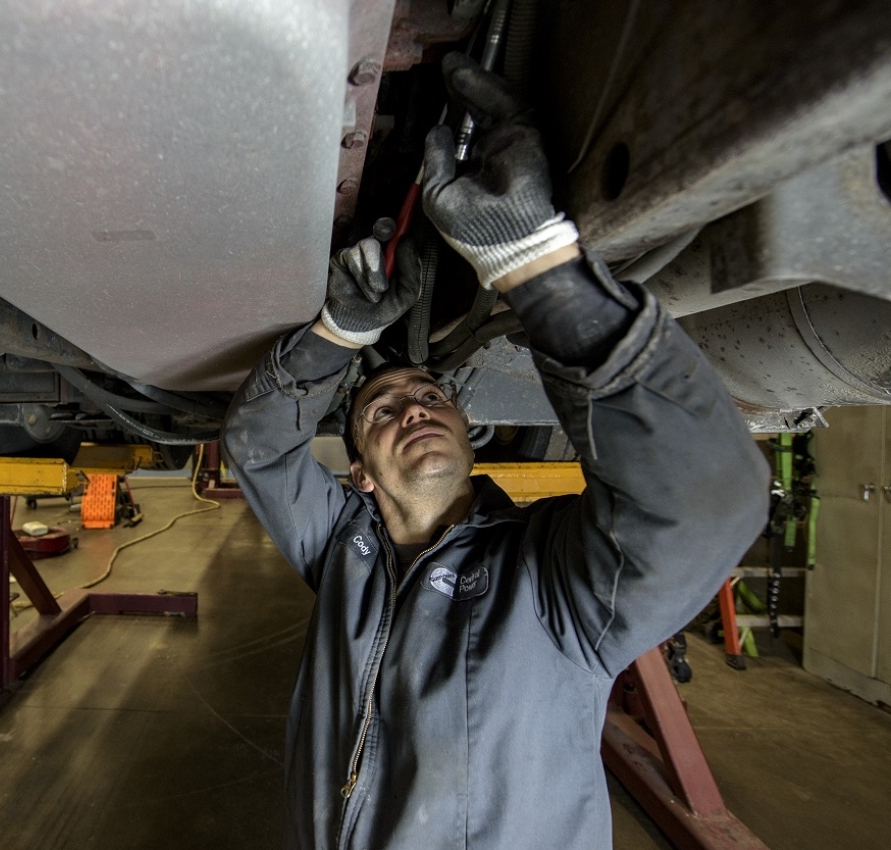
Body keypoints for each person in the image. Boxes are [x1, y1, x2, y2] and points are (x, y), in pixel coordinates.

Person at [222, 53, 768, 850]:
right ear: (361, 476)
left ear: (469, 436)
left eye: (431, 397)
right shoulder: (343, 549)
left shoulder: (552, 582)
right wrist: (336, 334)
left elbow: (703, 503)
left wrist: (541, 275)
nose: (415, 405)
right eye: (383, 408)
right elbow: (256, 447)